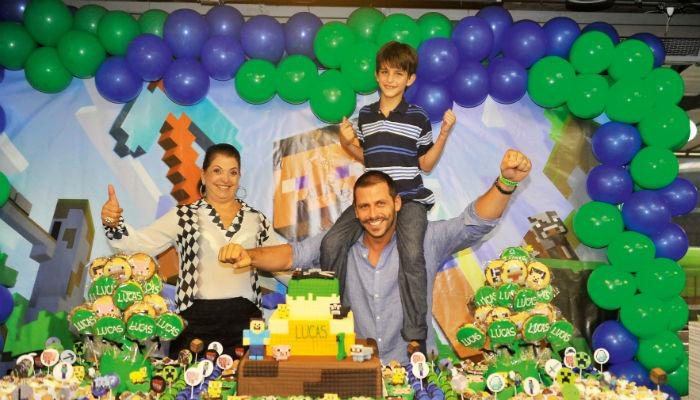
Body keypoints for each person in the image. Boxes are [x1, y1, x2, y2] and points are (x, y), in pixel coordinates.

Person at [220, 149, 532, 364]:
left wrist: (506, 183)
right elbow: (293, 254)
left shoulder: (425, 240)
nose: (373, 214)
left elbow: (472, 223)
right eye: (365, 207)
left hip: (415, 369)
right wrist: (250, 255)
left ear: (397, 204)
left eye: (380, 204)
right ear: (355, 212)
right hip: (357, 369)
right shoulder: (337, 244)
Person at [322, 41, 457, 345]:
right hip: (373, 203)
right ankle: (334, 317)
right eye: (384, 72)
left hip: (408, 199)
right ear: (376, 75)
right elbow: (366, 157)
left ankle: (415, 335)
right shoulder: (366, 115)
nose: (390, 79)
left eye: (398, 73)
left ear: (410, 79)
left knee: (411, 254)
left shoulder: (418, 116)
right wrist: (346, 142)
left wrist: (445, 133)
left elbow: (425, 163)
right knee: (331, 243)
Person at [101, 143, 272, 357]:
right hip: (194, 325)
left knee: (245, 388)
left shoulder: (257, 219)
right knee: (185, 389)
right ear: (203, 175)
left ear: (239, 177)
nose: (225, 179)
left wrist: (316, 283)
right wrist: (113, 222)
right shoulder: (183, 216)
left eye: (233, 172)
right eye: (217, 170)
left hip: (247, 328)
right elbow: (136, 245)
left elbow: (283, 261)